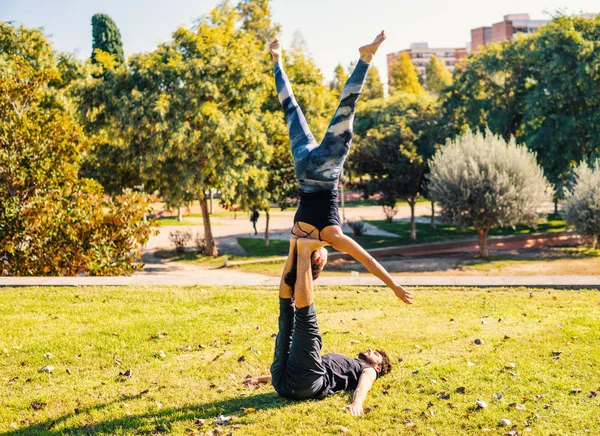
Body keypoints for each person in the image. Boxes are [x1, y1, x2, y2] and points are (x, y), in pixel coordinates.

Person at [269, 31, 412, 304]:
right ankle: (277, 61)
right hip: (302, 165)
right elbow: (288, 281)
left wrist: (394, 286)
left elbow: (367, 259)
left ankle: (365, 59)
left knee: (348, 106)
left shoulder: (332, 236)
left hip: (326, 168)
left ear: (319, 258)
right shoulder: (296, 234)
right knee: (290, 108)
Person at [244, 237, 391, 415]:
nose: (370, 349)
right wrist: (260, 380)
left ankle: (304, 250)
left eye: (375, 354)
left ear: (378, 367)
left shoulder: (368, 371)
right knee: (286, 313)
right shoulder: (351, 363)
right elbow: (300, 366)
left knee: (306, 320)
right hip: (282, 382)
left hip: (308, 384)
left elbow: (363, 388)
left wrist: (356, 404)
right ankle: (294, 247)